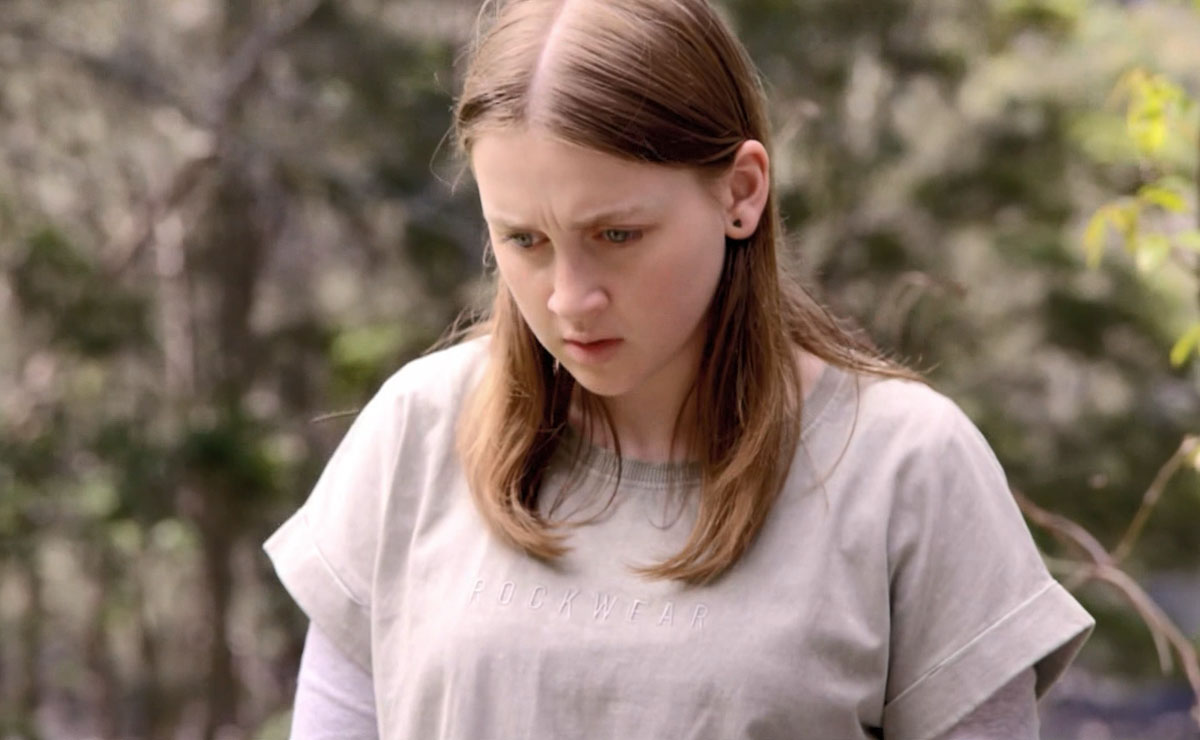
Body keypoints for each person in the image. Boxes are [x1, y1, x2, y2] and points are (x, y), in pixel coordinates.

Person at [264, 0, 1095, 737]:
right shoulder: (417, 430)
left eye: (616, 235)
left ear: (741, 192)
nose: (570, 298)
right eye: (524, 240)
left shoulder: (906, 468)